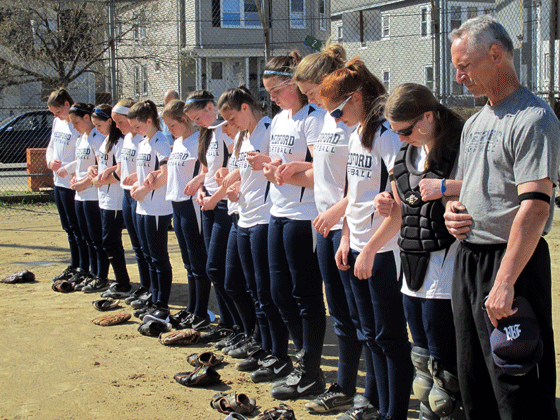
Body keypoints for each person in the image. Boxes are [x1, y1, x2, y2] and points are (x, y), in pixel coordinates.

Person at [444, 15, 559, 420]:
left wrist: (506, 281)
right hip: (469, 261)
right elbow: (463, 186)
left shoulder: (533, 118)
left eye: (464, 66)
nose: (459, 77)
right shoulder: (474, 122)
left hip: (511, 264)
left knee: (516, 382)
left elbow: (536, 206)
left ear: (496, 55)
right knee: (474, 378)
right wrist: (451, 211)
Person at [322, 58, 413, 420]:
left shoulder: (386, 136)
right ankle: (375, 407)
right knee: (369, 334)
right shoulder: (358, 133)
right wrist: (346, 238)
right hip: (358, 247)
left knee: (390, 339)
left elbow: (401, 202)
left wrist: (371, 248)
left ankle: (395, 414)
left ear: (357, 98)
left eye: (336, 111)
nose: (334, 119)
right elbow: (354, 194)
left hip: (383, 252)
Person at [291, 43, 377, 417]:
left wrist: (341, 216)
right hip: (327, 225)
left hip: (352, 227)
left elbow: (366, 182)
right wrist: (288, 170)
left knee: (364, 317)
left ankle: (371, 395)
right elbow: (323, 176)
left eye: (311, 93)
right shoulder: (328, 118)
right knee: (340, 314)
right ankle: (345, 386)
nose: (310, 100)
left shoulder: (354, 119)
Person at [373, 83, 464, 420]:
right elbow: (402, 206)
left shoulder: (459, 146)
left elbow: (492, 188)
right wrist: (385, 202)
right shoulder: (405, 153)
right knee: (422, 365)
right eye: (395, 131)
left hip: (447, 262)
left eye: (406, 130)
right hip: (411, 266)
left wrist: (446, 187)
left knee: (444, 371)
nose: (400, 138)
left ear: (429, 115)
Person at [248, 51, 327, 402]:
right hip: (277, 211)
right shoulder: (280, 119)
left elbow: (323, 177)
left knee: (305, 295)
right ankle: (302, 361)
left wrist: (292, 171)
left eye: (276, 90)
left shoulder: (314, 117)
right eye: (268, 93)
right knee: (279, 292)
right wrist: (269, 168)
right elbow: (281, 166)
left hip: (305, 214)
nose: (272, 98)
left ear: (294, 84)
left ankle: (311, 372)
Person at [217, 87, 285, 368]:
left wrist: (266, 162)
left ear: (245, 108)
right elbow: (247, 171)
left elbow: (281, 166)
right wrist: (233, 182)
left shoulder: (269, 129)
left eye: (231, 119)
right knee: (247, 287)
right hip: (244, 215)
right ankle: (259, 342)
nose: (230, 127)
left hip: (263, 218)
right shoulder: (244, 136)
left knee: (264, 290)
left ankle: (274, 351)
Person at [184, 90, 243, 336]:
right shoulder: (207, 134)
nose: (196, 123)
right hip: (207, 202)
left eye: (198, 117)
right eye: (193, 120)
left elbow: (235, 169)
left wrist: (215, 198)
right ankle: (227, 323)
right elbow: (207, 170)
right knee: (213, 267)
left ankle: (239, 325)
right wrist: (200, 187)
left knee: (217, 267)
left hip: (222, 205)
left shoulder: (227, 132)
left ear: (211, 107)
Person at [162, 99, 212, 330]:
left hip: (192, 207)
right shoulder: (180, 142)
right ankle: (192, 309)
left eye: (172, 125)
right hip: (177, 204)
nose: (169, 131)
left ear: (184, 120)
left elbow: (206, 172)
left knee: (197, 261)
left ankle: (201, 311)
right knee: (188, 262)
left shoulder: (197, 141)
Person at [127, 100, 173, 324]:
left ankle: (161, 304)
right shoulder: (144, 142)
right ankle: (153, 299)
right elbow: (148, 171)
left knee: (158, 258)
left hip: (157, 208)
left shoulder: (161, 142)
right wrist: (137, 182)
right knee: (147, 255)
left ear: (149, 121)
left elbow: (165, 174)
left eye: (138, 126)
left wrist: (144, 189)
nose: (135, 131)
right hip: (143, 206)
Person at [62, 103, 109, 292]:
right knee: (85, 237)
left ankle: (101, 276)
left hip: (93, 195)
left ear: (87, 118)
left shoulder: (98, 139)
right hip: (80, 196)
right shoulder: (82, 138)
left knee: (96, 239)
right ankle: (88, 273)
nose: (74, 126)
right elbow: (81, 164)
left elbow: (100, 168)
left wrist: (84, 183)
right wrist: (74, 177)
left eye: (76, 122)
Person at [88, 104, 132, 298]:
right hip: (104, 197)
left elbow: (120, 172)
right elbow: (104, 165)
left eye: (99, 124)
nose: (97, 129)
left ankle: (123, 283)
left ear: (109, 121)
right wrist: (95, 171)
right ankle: (119, 281)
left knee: (110, 241)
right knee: (108, 242)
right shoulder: (107, 140)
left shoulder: (121, 141)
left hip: (115, 199)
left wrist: (103, 177)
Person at [111, 99, 152, 302]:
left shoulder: (144, 139)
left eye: (120, 121)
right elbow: (121, 166)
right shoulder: (127, 138)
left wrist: (138, 177)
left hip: (140, 195)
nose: (117, 126)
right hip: (127, 194)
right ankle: (144, 285)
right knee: (136, 244)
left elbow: (154, 167)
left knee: (146, 245)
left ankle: (152, 288)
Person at [46, 89, 86, 283]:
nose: (56, 116)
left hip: (72, 182)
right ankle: (74, 263)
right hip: (58, 182)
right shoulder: (57, 123)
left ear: (67, 106)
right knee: (68, 227)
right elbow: (51, 146)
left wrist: (68, 168)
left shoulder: (76, 126)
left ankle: (83, 267)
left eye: (58, 111)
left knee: (77, 227)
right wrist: (49, 162)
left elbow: (84, 157)